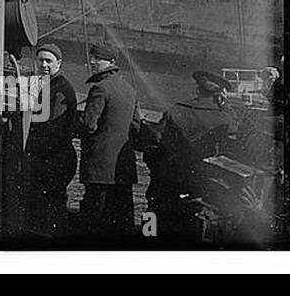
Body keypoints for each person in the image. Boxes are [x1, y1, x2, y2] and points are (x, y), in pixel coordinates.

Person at [146, 69, 236, 238]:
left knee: (155, 220)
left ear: (197, 90)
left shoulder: (175, 110)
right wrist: (227, 107)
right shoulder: (224, 118)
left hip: (169, 183)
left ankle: (147, 239)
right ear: (221, 94)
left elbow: (158, 142)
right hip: (202, 187)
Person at [78, 40, 138, 243]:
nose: (93, 62)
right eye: (93, 58)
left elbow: (89, 125)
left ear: (111, 62)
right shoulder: (129, 89)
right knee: (121, 217)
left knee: (95, 218)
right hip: (123, 168)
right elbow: (136, 126)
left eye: (98, 59)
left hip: (99, 168)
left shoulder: (100, 89)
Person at [24, 42, 78, 239]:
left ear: (58, 63)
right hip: (53, 158)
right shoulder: (50, 85)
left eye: (49, 61)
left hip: (54, 160)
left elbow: (52, 129)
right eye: (41, 60)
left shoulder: (59, 89)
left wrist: (30, 151)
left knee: (49, 208)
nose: (44, 65)